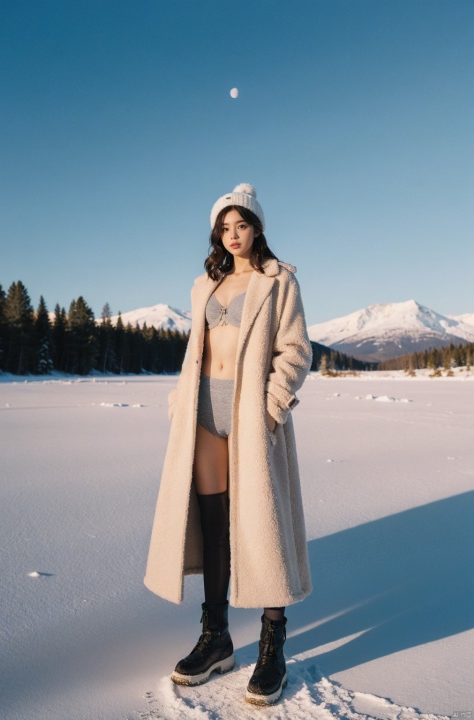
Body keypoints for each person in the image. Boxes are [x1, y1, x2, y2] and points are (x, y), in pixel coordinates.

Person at [144, 183, 312, 705]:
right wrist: (180, 402)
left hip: (249, 415)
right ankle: (215, 637)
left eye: (241, 225)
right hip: (202, 414)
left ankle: (271, 646)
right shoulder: (205, 286)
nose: (233, 235)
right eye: (224, 227)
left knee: (263, 523)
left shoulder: (277, 281)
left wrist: (269, 405)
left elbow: (295, 350)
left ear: (258, 228)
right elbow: (197, 352)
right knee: (214, 523)